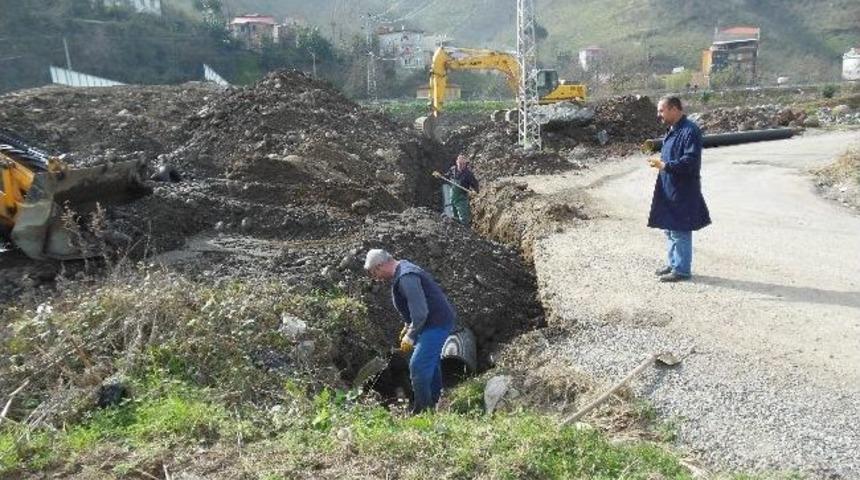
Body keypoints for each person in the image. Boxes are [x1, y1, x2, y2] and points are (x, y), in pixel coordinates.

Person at [364, 249, 455, 413]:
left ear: (379, 266)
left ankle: (423, 411)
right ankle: (437, 400)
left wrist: (411, 335)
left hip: (436, 324)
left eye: (374, 273)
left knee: (418, 366)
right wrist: (407, 325)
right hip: (430, 323)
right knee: (430, 363)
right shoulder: (402, 270)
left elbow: (420, 313)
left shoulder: (406, 277)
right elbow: (413, 307)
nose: (375, 278)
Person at [647, 96, 711, 282]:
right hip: (669, 187)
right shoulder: (673, 130)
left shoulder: (690, 131)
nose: (659, 115)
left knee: (680, 229)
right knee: (670, 228)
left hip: (683, 189)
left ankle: (682, 270)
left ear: (674, 109)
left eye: (662, 110)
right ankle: (674, 263)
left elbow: (690, 161)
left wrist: (666, 166)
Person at [443, 154, 479, 226]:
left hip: (462, 197)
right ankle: (455, 228)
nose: (461, 165)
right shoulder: (453, 169)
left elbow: (475, 184)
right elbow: (447, 176)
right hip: (452, 195)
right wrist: (440, 175)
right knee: (453, 214)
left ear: (465, 164)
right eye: (460, 163)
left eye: (463, 164)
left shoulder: (468, 174)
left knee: (463, 217)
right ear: (457, 162)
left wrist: (475, 191)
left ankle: (465, 230)